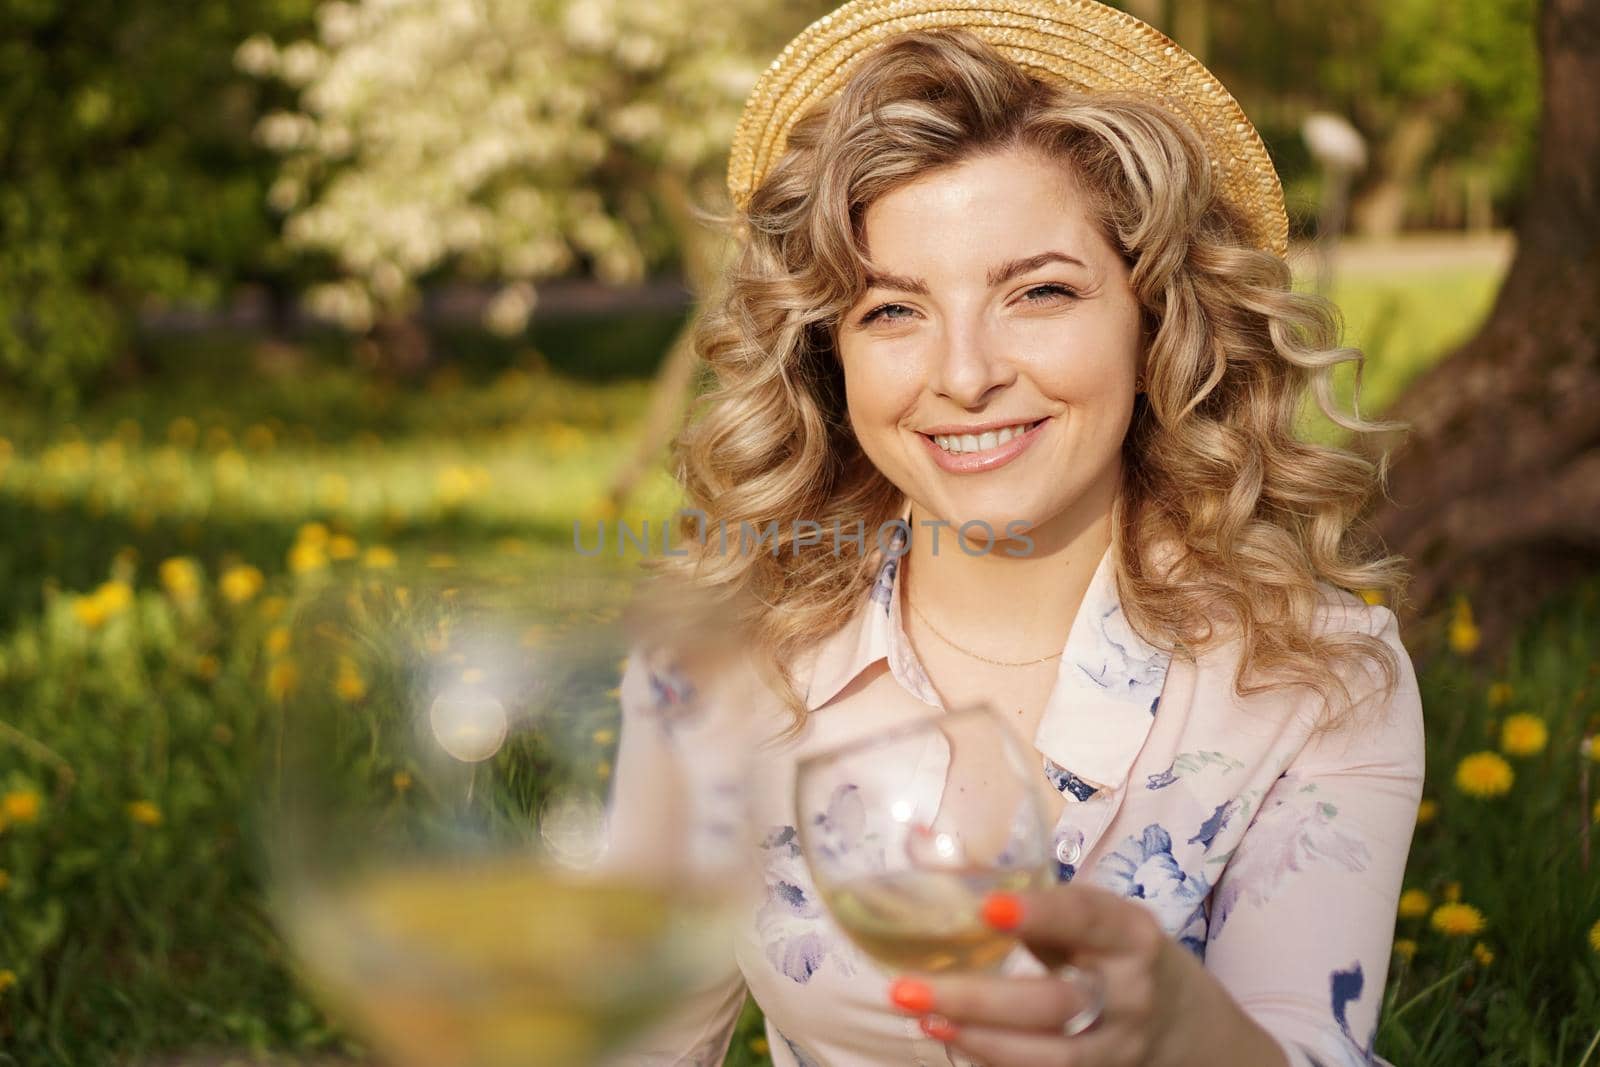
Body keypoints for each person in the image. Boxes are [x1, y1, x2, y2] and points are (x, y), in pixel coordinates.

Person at [606, 2, 1424, 1065]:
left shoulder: (1320, 679)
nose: (964, 374)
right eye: (892, 310)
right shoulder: (714, 659)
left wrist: (1181, 1030)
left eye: (1038, 291)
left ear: (1158, 317)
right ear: (830, 354)